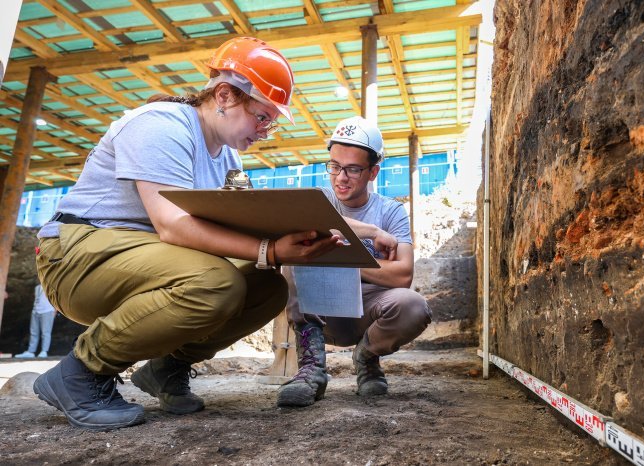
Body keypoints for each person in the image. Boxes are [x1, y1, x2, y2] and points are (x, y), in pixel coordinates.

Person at [32, 36, 342, 430]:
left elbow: (232, 225)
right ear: (225, 95)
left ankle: (166, 368)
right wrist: (270, 248)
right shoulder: (160, 125)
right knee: (216, 282)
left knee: (266, 288)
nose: (265, 131)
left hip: (142, 257)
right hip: (76, 255)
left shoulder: (227, 157)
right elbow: (173, 224)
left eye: (271, 122)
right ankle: (80, 373)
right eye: (262, 117)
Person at [276, 116, 431, 407]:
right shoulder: (317, 201)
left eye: (352, 169)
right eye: (334, 166)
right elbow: (304, 225)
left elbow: (402, 276)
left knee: (414, 305)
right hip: (321, 315)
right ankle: (311, 370)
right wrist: (371, 236)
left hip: (368, 315)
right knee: (293, 259)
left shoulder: (391, 212)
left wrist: (343, 263)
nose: (340, 177)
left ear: (373, 172)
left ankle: (366, 358)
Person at [15, 282, 57, 358]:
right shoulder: (37, 287)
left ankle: (44, 351)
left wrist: (55, 311)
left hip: (47, 311)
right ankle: (31, 351)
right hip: (36, 311)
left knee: (46, 332)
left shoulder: (51, 286)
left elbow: (56, 299)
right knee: (33, 332)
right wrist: (34, 310)